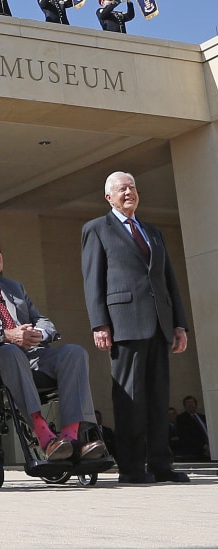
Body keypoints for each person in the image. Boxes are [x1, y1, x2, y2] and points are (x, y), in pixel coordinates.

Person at [0, 230, 106, 462]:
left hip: (31, 355)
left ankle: (72, 436)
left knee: (74, 352)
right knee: (10, 351)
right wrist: (6, 335)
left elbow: (42, 320)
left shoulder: (14, 287)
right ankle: (43, 436)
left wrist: (38, 333)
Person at [82, 171, 189, 483]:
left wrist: (179, 324)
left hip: (159, 323)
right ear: (108, 197)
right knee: (130, 399)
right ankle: (131, 467)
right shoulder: (97, 229)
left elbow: (169, 280)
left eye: (131, 187)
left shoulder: (152, 231)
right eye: (121, 189)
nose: (128, 192)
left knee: (158, 397)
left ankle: (161, 464)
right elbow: (93, 280)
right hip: (124, 323)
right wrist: (100, 323)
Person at [176, 395, 210, 460]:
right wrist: (204, 446)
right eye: (187, 403)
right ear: (184, 406)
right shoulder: (181, 418)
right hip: (196, 452)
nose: (190, 404)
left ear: (196, 404)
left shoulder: (203, 417)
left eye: (192, 402)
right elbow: (186, 436)